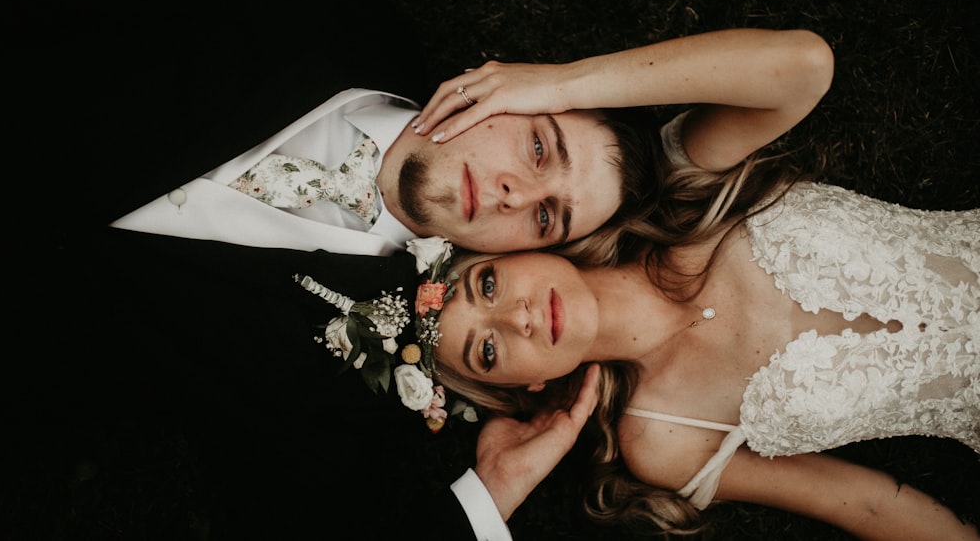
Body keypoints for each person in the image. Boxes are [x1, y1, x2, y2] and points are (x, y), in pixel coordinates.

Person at [0, 0, 830, 538]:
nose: (513, 189)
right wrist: (562, 81)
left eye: (545, 218)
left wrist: (494, 489)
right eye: (539, 146)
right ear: (507, 85)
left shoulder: (355, 385)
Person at [410, 98, 979, 538]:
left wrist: (548, 85)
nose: (519, 319)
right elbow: (864, 503)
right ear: (526, 385)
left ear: (518, 249)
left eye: (488, 285)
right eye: (487, 350)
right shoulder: (662, 443)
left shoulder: (682, 196)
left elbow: (804, 67)